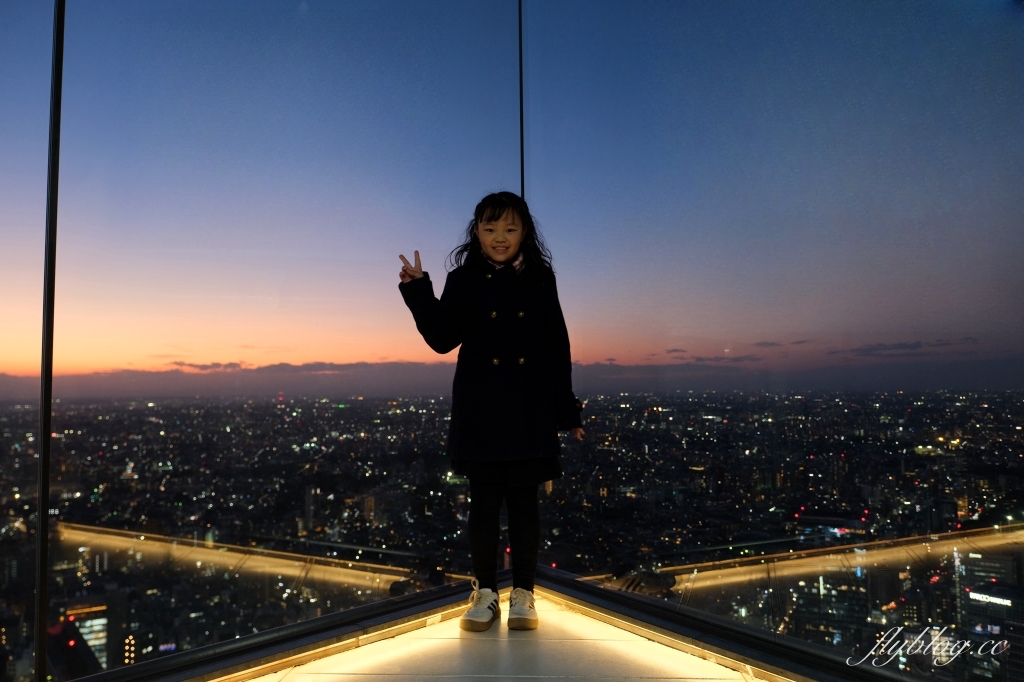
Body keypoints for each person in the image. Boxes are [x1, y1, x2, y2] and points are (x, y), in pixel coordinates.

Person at [397, 191, 585, 632]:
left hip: (529, 406)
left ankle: (524, 594)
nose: (500, 237)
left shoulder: (541, 278)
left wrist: (567, 410)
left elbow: (557, 345)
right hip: (481, 406)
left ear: (525, 233)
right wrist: (419, 289)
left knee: (524, 506)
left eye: (510, 228)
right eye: (490, 227)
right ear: (477, 232)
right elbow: (442, 338)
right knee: (482, 506)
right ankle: (484, 593)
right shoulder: (463, 279)